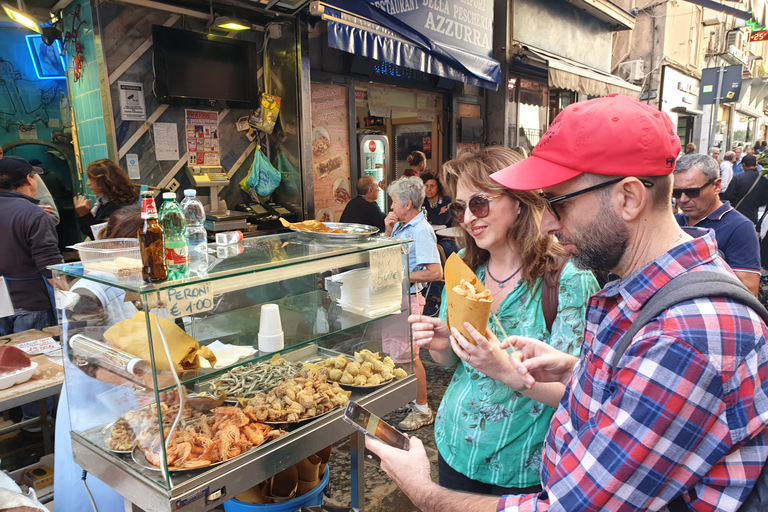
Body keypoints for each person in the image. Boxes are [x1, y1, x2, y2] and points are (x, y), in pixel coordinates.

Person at [366, 94, 768, 512]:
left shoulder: (687, 334)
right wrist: (577, 371)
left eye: (559, 202)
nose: (550, 222)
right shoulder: (640, 294)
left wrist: (422, 490)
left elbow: (571, 508)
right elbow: (625, 403)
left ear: (629, 198)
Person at [410, 147, 598, 496]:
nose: (468, 217)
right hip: (454, 444)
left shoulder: (567, 279)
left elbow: (577, 394)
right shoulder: (466, 267)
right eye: (459, 207)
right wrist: (442, 342)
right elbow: (452, 362)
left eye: (479, 203)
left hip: (520, 464)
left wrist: (507, 372)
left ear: (519, 201)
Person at [53, 206, 143, 511]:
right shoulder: (89, 292)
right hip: (94, 405)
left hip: (136, 402)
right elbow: (83, 355)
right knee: (103, 492)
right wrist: (144, 380)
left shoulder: (144, 280)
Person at [384, 176, 442, 430]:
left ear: (408, 204)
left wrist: (401, 276)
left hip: (409, 300)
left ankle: (422, 408)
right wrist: (388, 232)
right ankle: (409, 398)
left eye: (394, 202)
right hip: (396, 298)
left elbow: (435, 272)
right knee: (399, 354)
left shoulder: (421, 230)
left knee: (410, 356)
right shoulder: (401, 225)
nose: (392, 207)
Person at [673, 153, 761, 295]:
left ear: (716, 186)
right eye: (676, 193)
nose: (682, 199)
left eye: (692, 192)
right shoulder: (675, 222)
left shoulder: (740, 228)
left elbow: (748, 289)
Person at [0, 157, 62, 335]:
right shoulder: (33, 214)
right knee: (32, 359)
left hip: (3, 303)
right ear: (29, 179)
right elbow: (49, 263)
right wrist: (69, 297)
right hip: (30, 303)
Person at [74, 158, 138, 239]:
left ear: (104, 181)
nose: (88, 183)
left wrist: (85, 215)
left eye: (91, 179)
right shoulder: (105, 202)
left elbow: (102, 237)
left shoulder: (118, 207)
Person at [721, 154, 768, 225]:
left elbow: (728, 196)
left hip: (737, 214)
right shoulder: (763, 180)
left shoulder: (738, 178)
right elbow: (765, 200)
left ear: (744, 165)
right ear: (756, 164)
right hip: (753, 215)